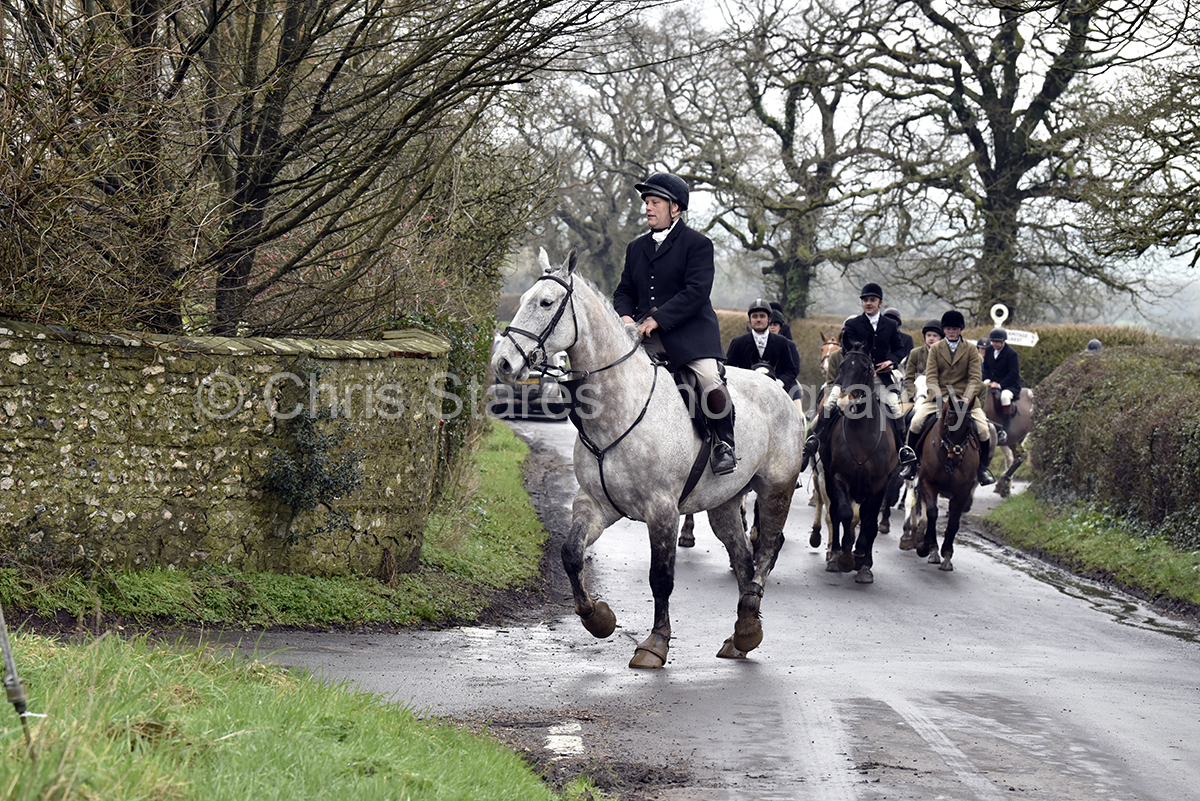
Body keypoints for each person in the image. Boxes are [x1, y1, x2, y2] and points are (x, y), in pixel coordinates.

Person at [613, 172, 737, 475]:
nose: (648, 207)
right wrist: (626, 317)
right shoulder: (636, 247)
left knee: (709, 379)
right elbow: (625, 291)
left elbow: (696, 292)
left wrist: (657, 319)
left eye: (655, 202)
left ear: (675, 208)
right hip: (644, 334)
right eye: (646, 202)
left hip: (690, 334)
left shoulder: (698, 244)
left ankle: (724, 444)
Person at [800, 282, 915, 472]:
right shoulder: (853, 325)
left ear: (880, 303)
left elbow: (899, 349)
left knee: (894, 406)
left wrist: (891, 362)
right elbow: (847, 349)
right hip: (852, 376)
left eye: (872, 300)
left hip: (880, 377)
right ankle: (812, 443)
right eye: (865, 300)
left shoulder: (890, 325)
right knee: (830, 403)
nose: (868, 303)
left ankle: (903, 448)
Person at [899, 310, 994, 486]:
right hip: (939, 397)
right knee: (916, 422)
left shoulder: (971, 350)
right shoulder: (936, 349)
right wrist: (938, 396)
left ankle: (982, 470)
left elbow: (975, 378)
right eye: (948, 328)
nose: (951, 332)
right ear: (944, 329)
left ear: (961, 329)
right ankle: (911, 464)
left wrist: (967, 398)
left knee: (983, 429)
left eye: (955, 329)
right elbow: (931, 376)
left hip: (965, 399)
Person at [726, 299, 800, 398]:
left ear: (769, 319)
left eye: (762, 316)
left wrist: (780, 382)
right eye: (755, 316)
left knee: (796, 408)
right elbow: (728, 370)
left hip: (776, 394)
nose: (758, 320)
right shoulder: (738, 342)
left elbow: (791, 370)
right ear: (750, 319)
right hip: (746, 395)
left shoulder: (781, 342)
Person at [982, 327, 1022, 445]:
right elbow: (986, 368)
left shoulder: (1011, 353)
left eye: (998, 342)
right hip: (992, 383)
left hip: (1010, 385)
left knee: (1004, 397)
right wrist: (987, 380)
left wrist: (999, 385)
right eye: (993, 341)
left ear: (1003, 341)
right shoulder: (989, 350)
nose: (995, 344)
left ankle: (1005, 430)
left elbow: (1013, 373)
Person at [768, 308, 805, 416]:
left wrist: (781, 381)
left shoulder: (790, 345)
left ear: (780, 326)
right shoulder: (761, 344)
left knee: (799, 415)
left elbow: (796, 368)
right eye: (770, 324)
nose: (772, 327)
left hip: (787, 384)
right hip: (765, 381)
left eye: (775, 324)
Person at [902, 319, 944, 406]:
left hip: (939, 389)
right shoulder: (915, 353)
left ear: (941, 338)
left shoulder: (946, 354)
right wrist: (912, 394)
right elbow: (909, 378)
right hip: (916, 389)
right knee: (900, 407)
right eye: (928, 335)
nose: (931, 338)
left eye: (935, 336)